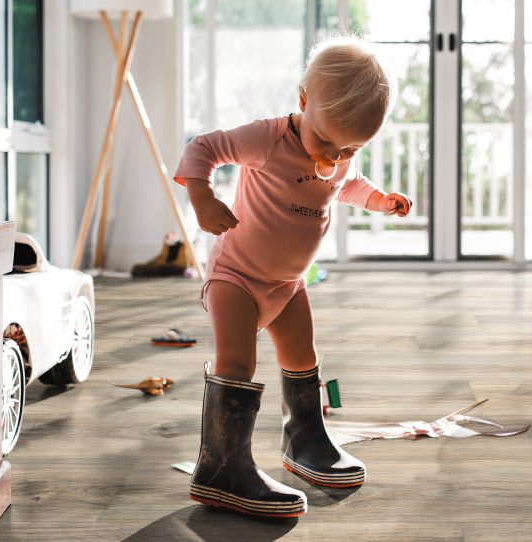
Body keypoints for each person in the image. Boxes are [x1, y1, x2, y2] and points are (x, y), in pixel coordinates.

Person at [173, 36, 412, 518]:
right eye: (325, 142)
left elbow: (349, 184)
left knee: (303, 356)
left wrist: (380, 200)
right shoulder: (267, 138)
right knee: (237, 362)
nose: (332, 156)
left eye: (348, 147)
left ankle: (305, 440)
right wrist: (202, 200)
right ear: (302, 100)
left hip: (287, 284)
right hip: (237, 276)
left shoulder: (338, 153)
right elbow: (203, 147)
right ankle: (221, 467)